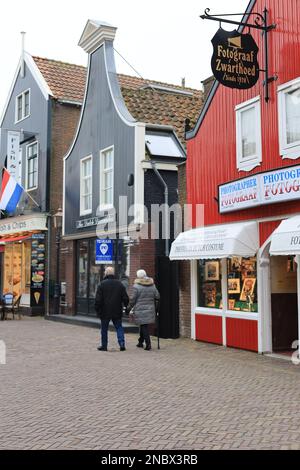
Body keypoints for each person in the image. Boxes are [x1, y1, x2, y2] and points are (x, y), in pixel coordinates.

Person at [95, 266, 129, 352]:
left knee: (104, 329)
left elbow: (98, 300)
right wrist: (125, 306)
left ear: (106, 273)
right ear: (113, 274)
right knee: (119, 327)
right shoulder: (119, 284)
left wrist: (97, 310)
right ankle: (122, 344)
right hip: (117, 309)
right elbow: (125, 298)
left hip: (105, 310)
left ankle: (104, 346)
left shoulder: (102, 284)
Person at [129, 270, 160, 351]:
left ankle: (148, 344)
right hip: (150, 309)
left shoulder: (136, 286)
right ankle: (140, 342)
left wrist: (129, 307)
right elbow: (157, 295)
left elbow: (133, 299)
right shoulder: (152, 285)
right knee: (143, 325)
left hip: (140, 309)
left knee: (143, 326)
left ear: (138, 276)